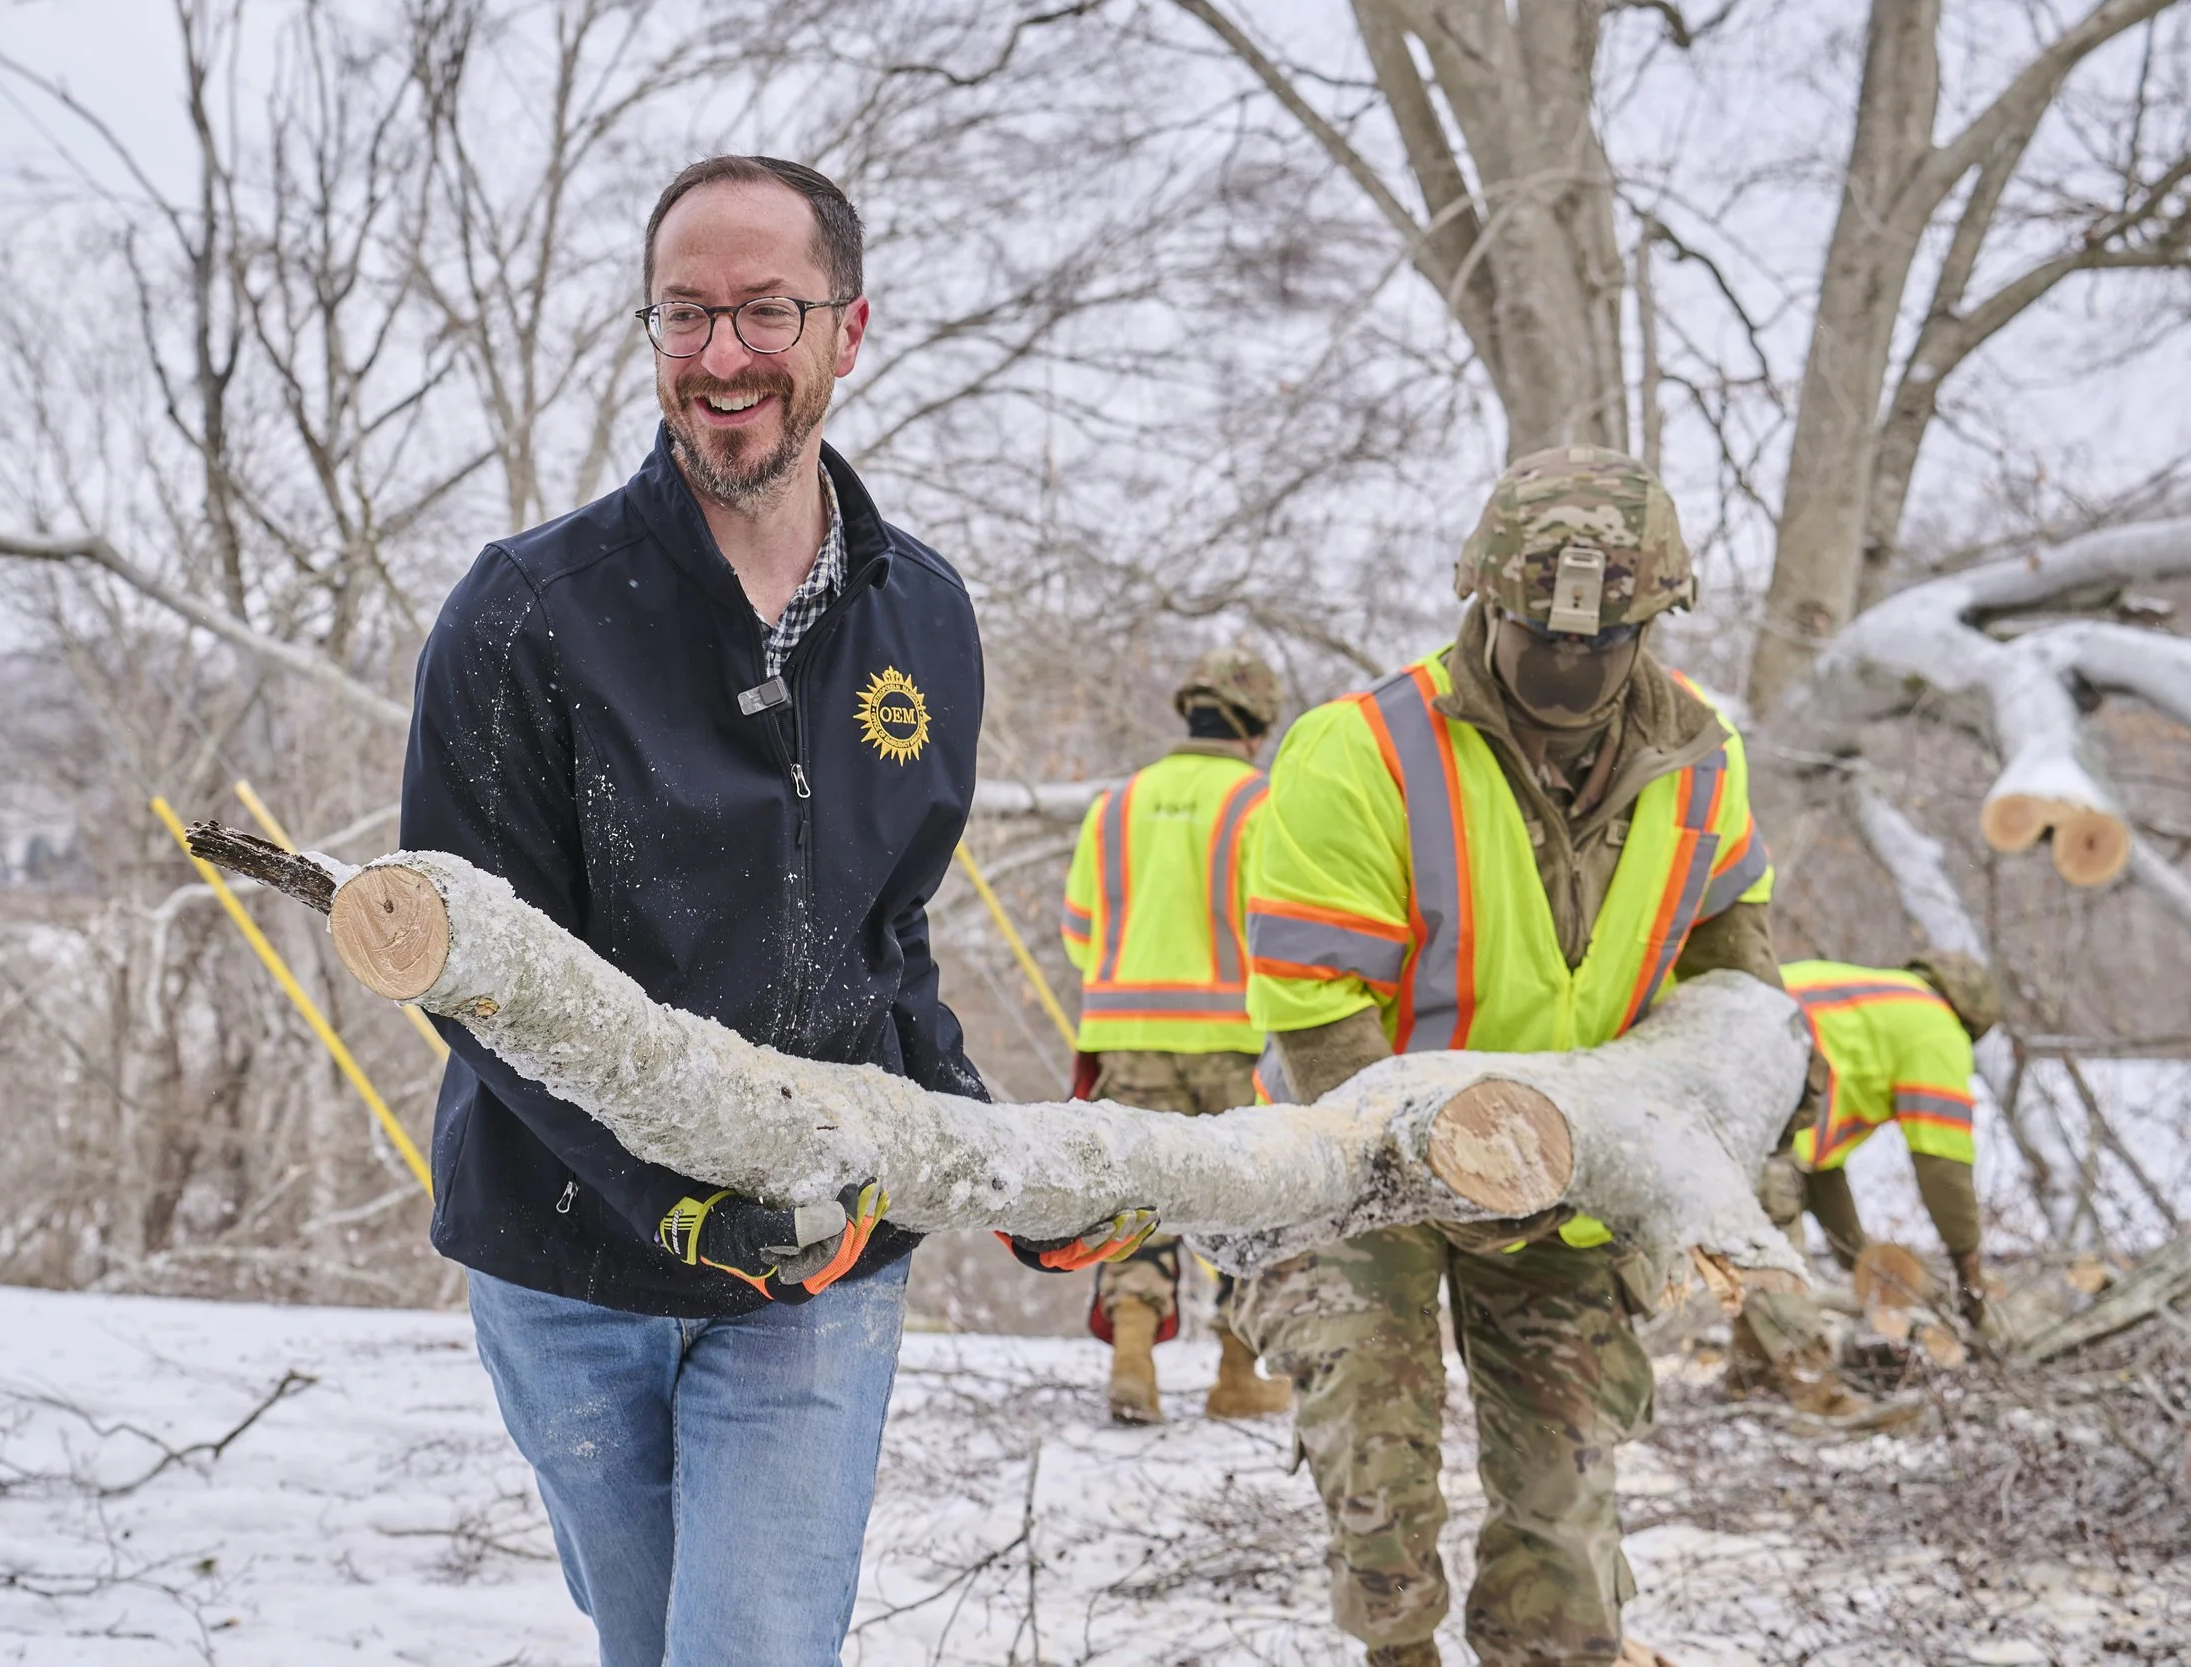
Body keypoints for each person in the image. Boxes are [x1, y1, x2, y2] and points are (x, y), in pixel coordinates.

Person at [399, 154, 988, 1667]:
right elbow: (478, 978)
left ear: (847, 330)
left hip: (817, 1251)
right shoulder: (528, 610)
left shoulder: (921, 616)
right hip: (569, 1256)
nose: (723, 357)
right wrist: (669, 1197)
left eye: (765, 312)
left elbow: (890, 930)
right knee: (654, 1640)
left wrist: (981, 1135)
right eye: (686, 315)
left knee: (752, 1645)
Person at [1233, 447, 1777, 1667]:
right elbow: (1321, 1016)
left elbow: (1733, 949)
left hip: (1574, 1167)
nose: (1567, 664)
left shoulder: (1702, 755)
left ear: (1654, 617)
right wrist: (1445, 1173)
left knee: (1564, 1494)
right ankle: (1397, 1646)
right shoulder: (1360, 750)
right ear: (1485, 596)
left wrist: (1749, 1096)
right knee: (1378, 1445)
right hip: (1359, 1157)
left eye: (1603, 639)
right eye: (1541, 633)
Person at [1046, 646, 1293, 1425]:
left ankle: (1133, 1360)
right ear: (1255, 727)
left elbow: (1080, 932)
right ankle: (1237, 1371)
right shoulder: (1262, 805)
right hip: (1234, 1039)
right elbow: (1281, 930)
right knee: (1249, 1199)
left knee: (1140, 1194)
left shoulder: (1116, 804)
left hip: (1128, 1034)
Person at [1729, 950, 2004, 1388]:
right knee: (1770, 1234)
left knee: (1754, 1226)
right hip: (1751, 1092)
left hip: (1716, 1048)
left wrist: (1854, 1252)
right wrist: (1968, 1269)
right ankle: (1814, 1387)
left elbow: (1815, 1160)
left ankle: (1753, 1381)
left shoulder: (1875, 1002)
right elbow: (1943, 1166)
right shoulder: (1935, 1031)